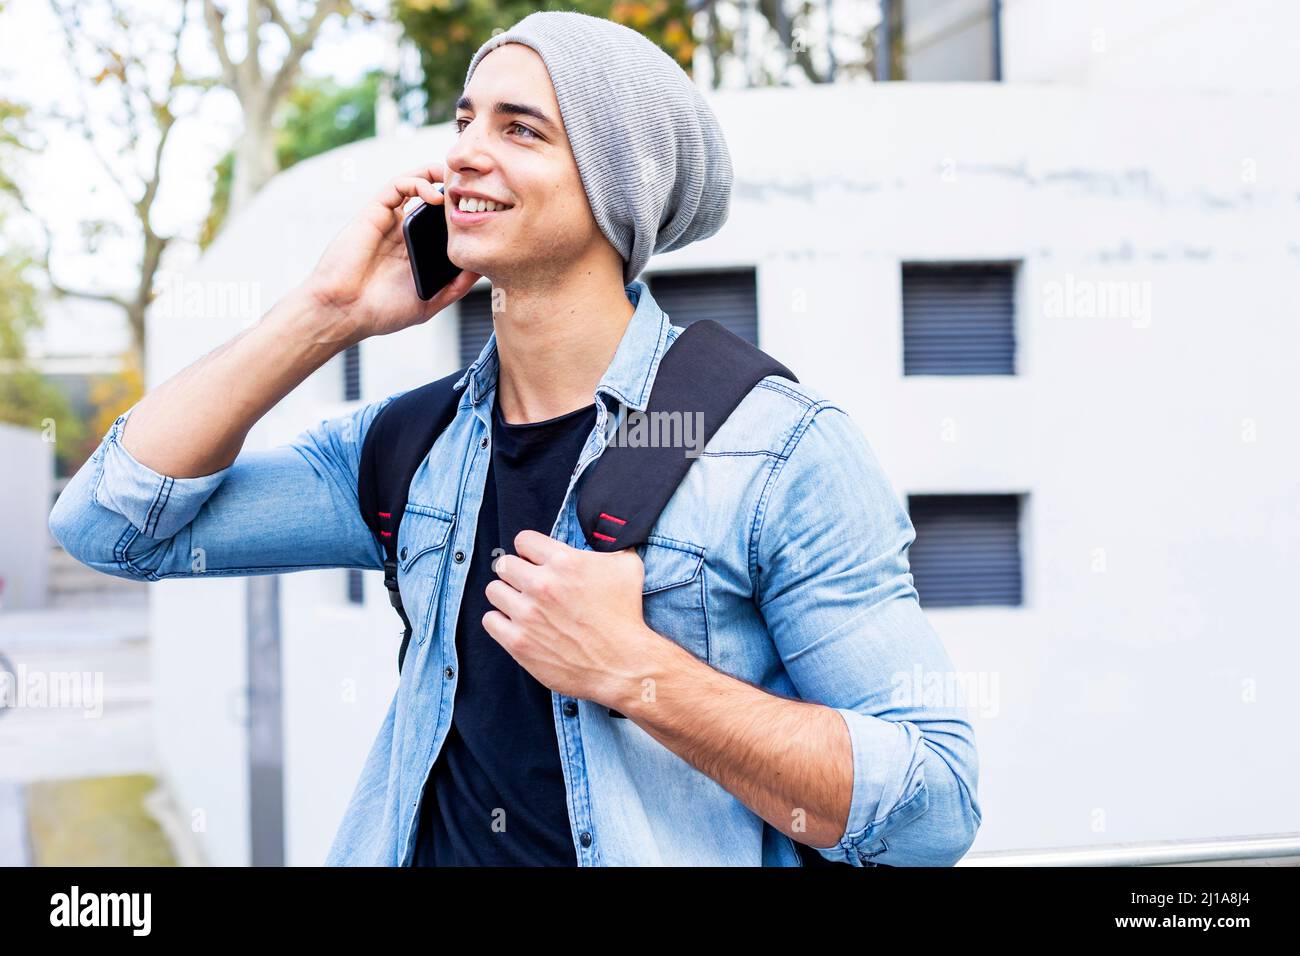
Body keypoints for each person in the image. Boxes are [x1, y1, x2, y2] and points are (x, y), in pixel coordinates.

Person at [48, 11, 980, 866]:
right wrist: (324, 314)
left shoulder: (778, 451)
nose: (464, 155)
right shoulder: (407, 448)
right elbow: (112, 527)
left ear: (623, 187)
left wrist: (638, 670)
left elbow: (937, 804)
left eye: (520, 128)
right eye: (464, 122)